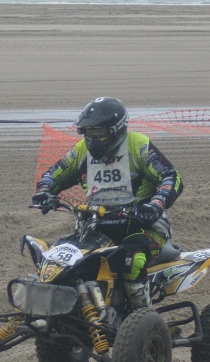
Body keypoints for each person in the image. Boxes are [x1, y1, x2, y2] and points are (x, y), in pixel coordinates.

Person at [32, 97, 184, 310]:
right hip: (95, 229)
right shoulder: (81, 151)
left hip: (144, 228)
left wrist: (155, 204)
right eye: (88, 133)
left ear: (117, 129)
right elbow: (53, 174)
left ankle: (144, 319)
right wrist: (44, 191)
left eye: (99, 133)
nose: (93, 139)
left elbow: (170, 177)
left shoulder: (137, 145)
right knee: (61, 257)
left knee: (132, 259)